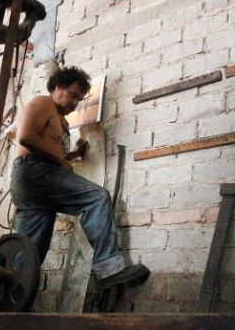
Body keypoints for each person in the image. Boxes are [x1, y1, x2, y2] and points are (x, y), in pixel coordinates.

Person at [11, 66, 150, 289]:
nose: (75, 103)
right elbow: (26, 137)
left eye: (79, 99)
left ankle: (7, 294)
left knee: (32, 248)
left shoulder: (60, 120)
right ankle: (109, 269)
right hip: (34, 172)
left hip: (34, 183)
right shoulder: (42, 103)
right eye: (73, 95)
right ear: (57, 87)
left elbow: (48, 147)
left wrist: (71, 155)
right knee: (96, 197)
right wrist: (60, 161)